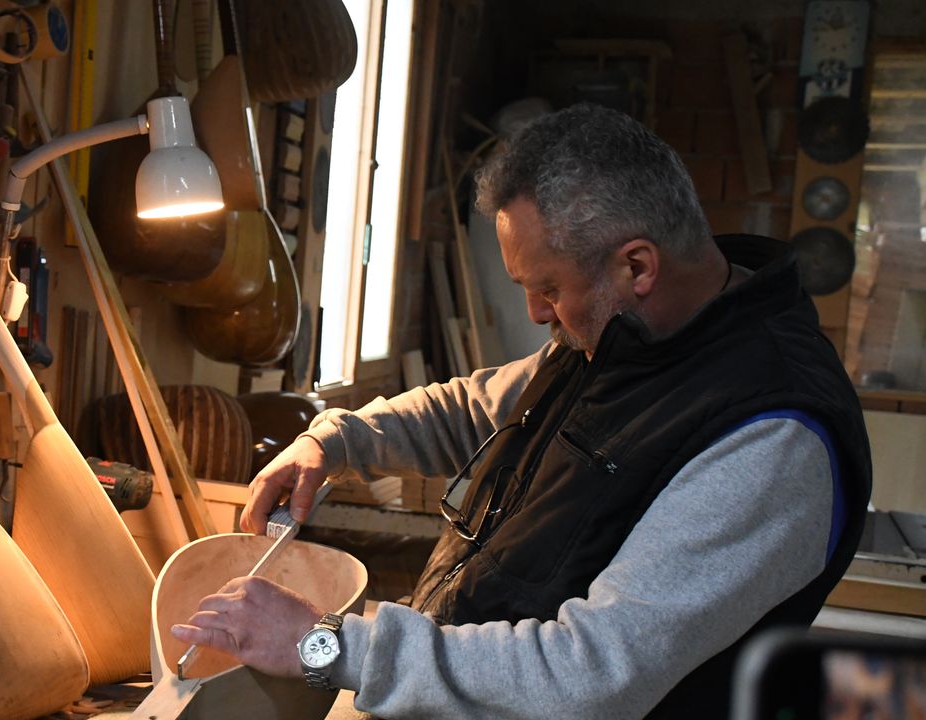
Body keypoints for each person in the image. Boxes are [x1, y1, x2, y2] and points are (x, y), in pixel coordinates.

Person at [170, 103, 872, 718]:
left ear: (637, 267)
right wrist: (338, 440)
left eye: (548, 289)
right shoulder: (620, 337)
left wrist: (324, 645)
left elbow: (589, 677)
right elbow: (472, 411)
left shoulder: (771, 437)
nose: (537, 314)